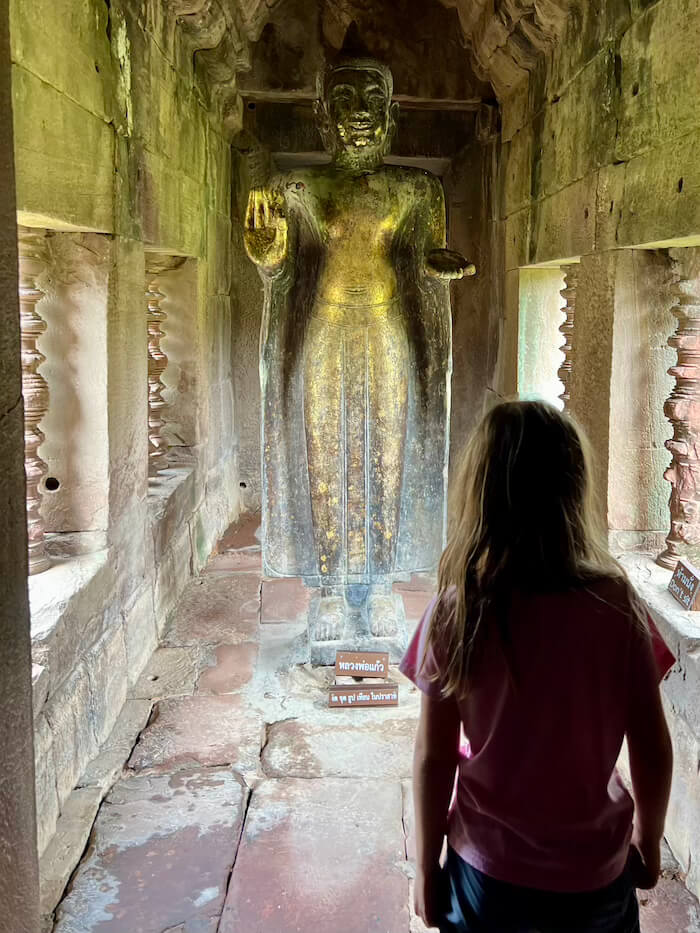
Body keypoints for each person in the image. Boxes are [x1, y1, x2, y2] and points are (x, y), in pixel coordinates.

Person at [400, 400, 675, 933]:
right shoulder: (616, 605)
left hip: (488, 877)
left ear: (480, 494)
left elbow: (435, 757)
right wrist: (647, 839)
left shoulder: (460, 611)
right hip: (594, 876)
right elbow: (651, 741)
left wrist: (425, 872)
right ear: (573, 490)